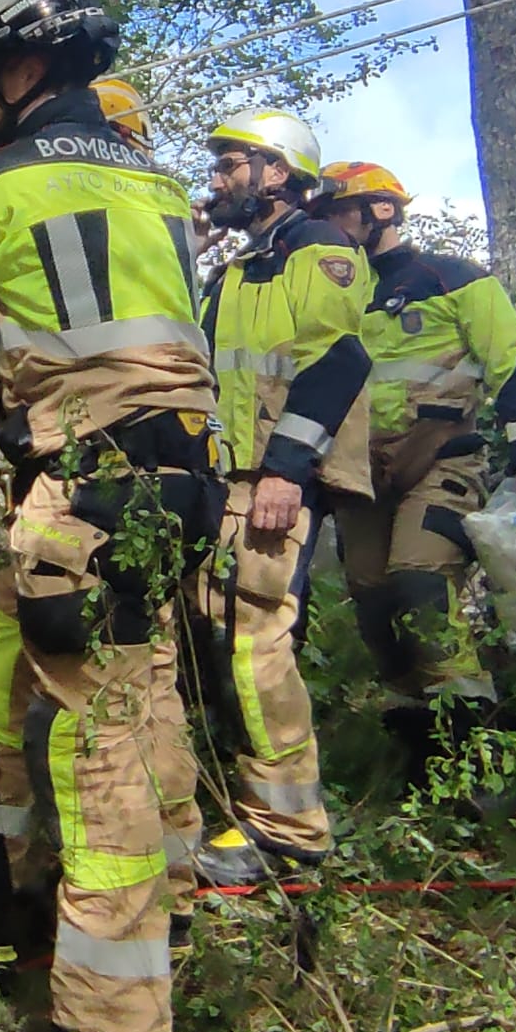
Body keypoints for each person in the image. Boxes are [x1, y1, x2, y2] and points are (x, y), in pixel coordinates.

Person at [0, 0, 221, 1032]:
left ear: (20, 72)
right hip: (175, 481)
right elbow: (86, 315)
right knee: (18, 666)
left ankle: (109, 1020)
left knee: (103, 739)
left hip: (88, 485)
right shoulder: (160, 187)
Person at [311, 160, 516, 781]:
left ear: (382, 211)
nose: (329, 228)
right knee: (373, 602)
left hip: (442, 457)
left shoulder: (453, 280)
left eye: (338, 213)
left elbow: (514, 365)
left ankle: (478, 755)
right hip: (359, 469)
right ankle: (420, 760)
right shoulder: (330, 295)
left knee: (421, 584)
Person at [173, 111, 372, 887]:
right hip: (231, 477)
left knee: (257, 638)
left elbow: (337, 359)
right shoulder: (240, 264)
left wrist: (288, 468)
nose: (217, 178)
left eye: (230, 165)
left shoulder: (320, 248)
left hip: (275, 480)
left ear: (277, 173)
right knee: (218, 632)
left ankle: (289, 828)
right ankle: (237, 801)